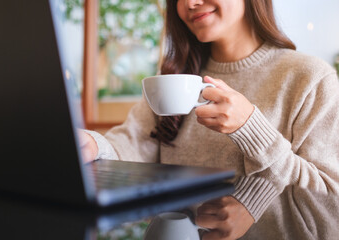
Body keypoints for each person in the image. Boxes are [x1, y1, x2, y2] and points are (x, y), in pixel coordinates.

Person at [80, 0, 339, 239]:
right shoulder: (177, 76)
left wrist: (252, 131)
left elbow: (331, 206)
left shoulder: (310, 79)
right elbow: (132, 144)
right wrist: (93, 145)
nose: (189, 3)